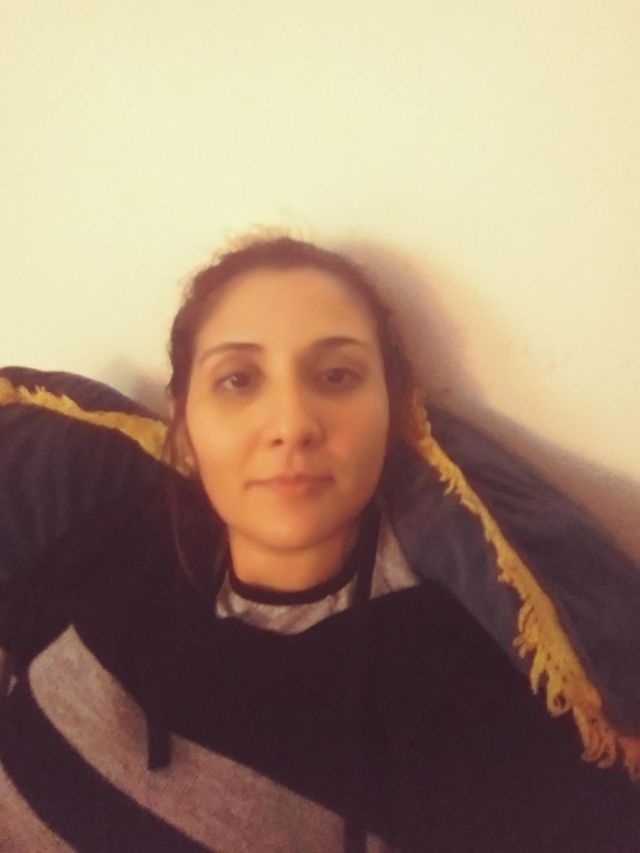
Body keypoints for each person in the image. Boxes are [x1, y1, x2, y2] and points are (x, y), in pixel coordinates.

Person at [0, 235, 638, 852]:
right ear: (185, 419)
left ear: (393, 411)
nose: (292, 425)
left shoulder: (468, 706)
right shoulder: (117, 533)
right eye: (238, 379)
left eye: (336, 375)